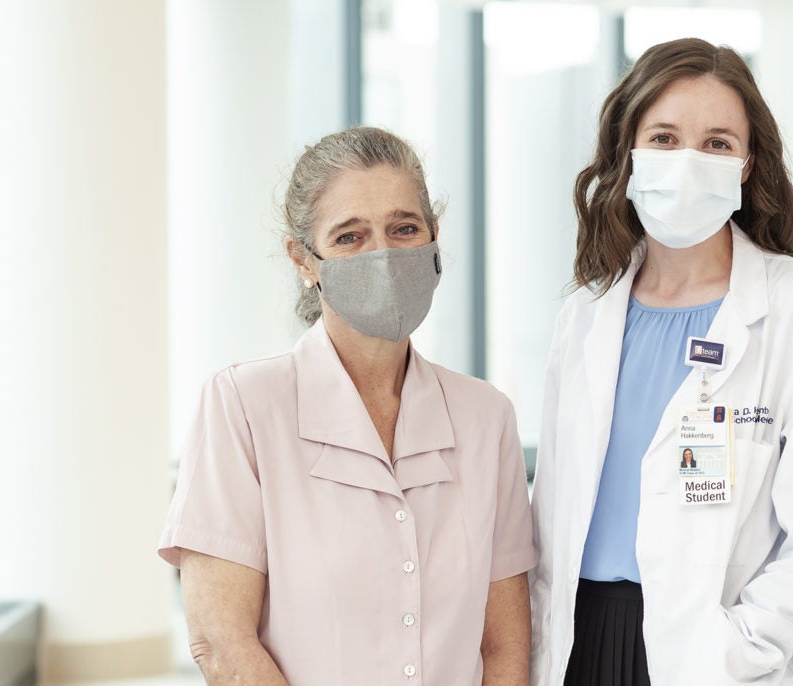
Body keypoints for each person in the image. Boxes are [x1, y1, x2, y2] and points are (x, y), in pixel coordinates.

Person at [530, 38, 793, 685]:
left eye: (717, 143)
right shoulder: (586, 316)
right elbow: (550, 517)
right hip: (577, 644)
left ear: (747, 164)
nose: (688, 162)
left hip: (709, 653)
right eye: (664, 138)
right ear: (628, 154)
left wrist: (735, 652)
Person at [158, 127, 534, 685]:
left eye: (404, 229)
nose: (382, 255)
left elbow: (504, 645)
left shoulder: (486, 417)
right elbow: (221, 641)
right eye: (349, 237)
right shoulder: (244, 405)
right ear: (303, 260)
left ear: (434, 237)